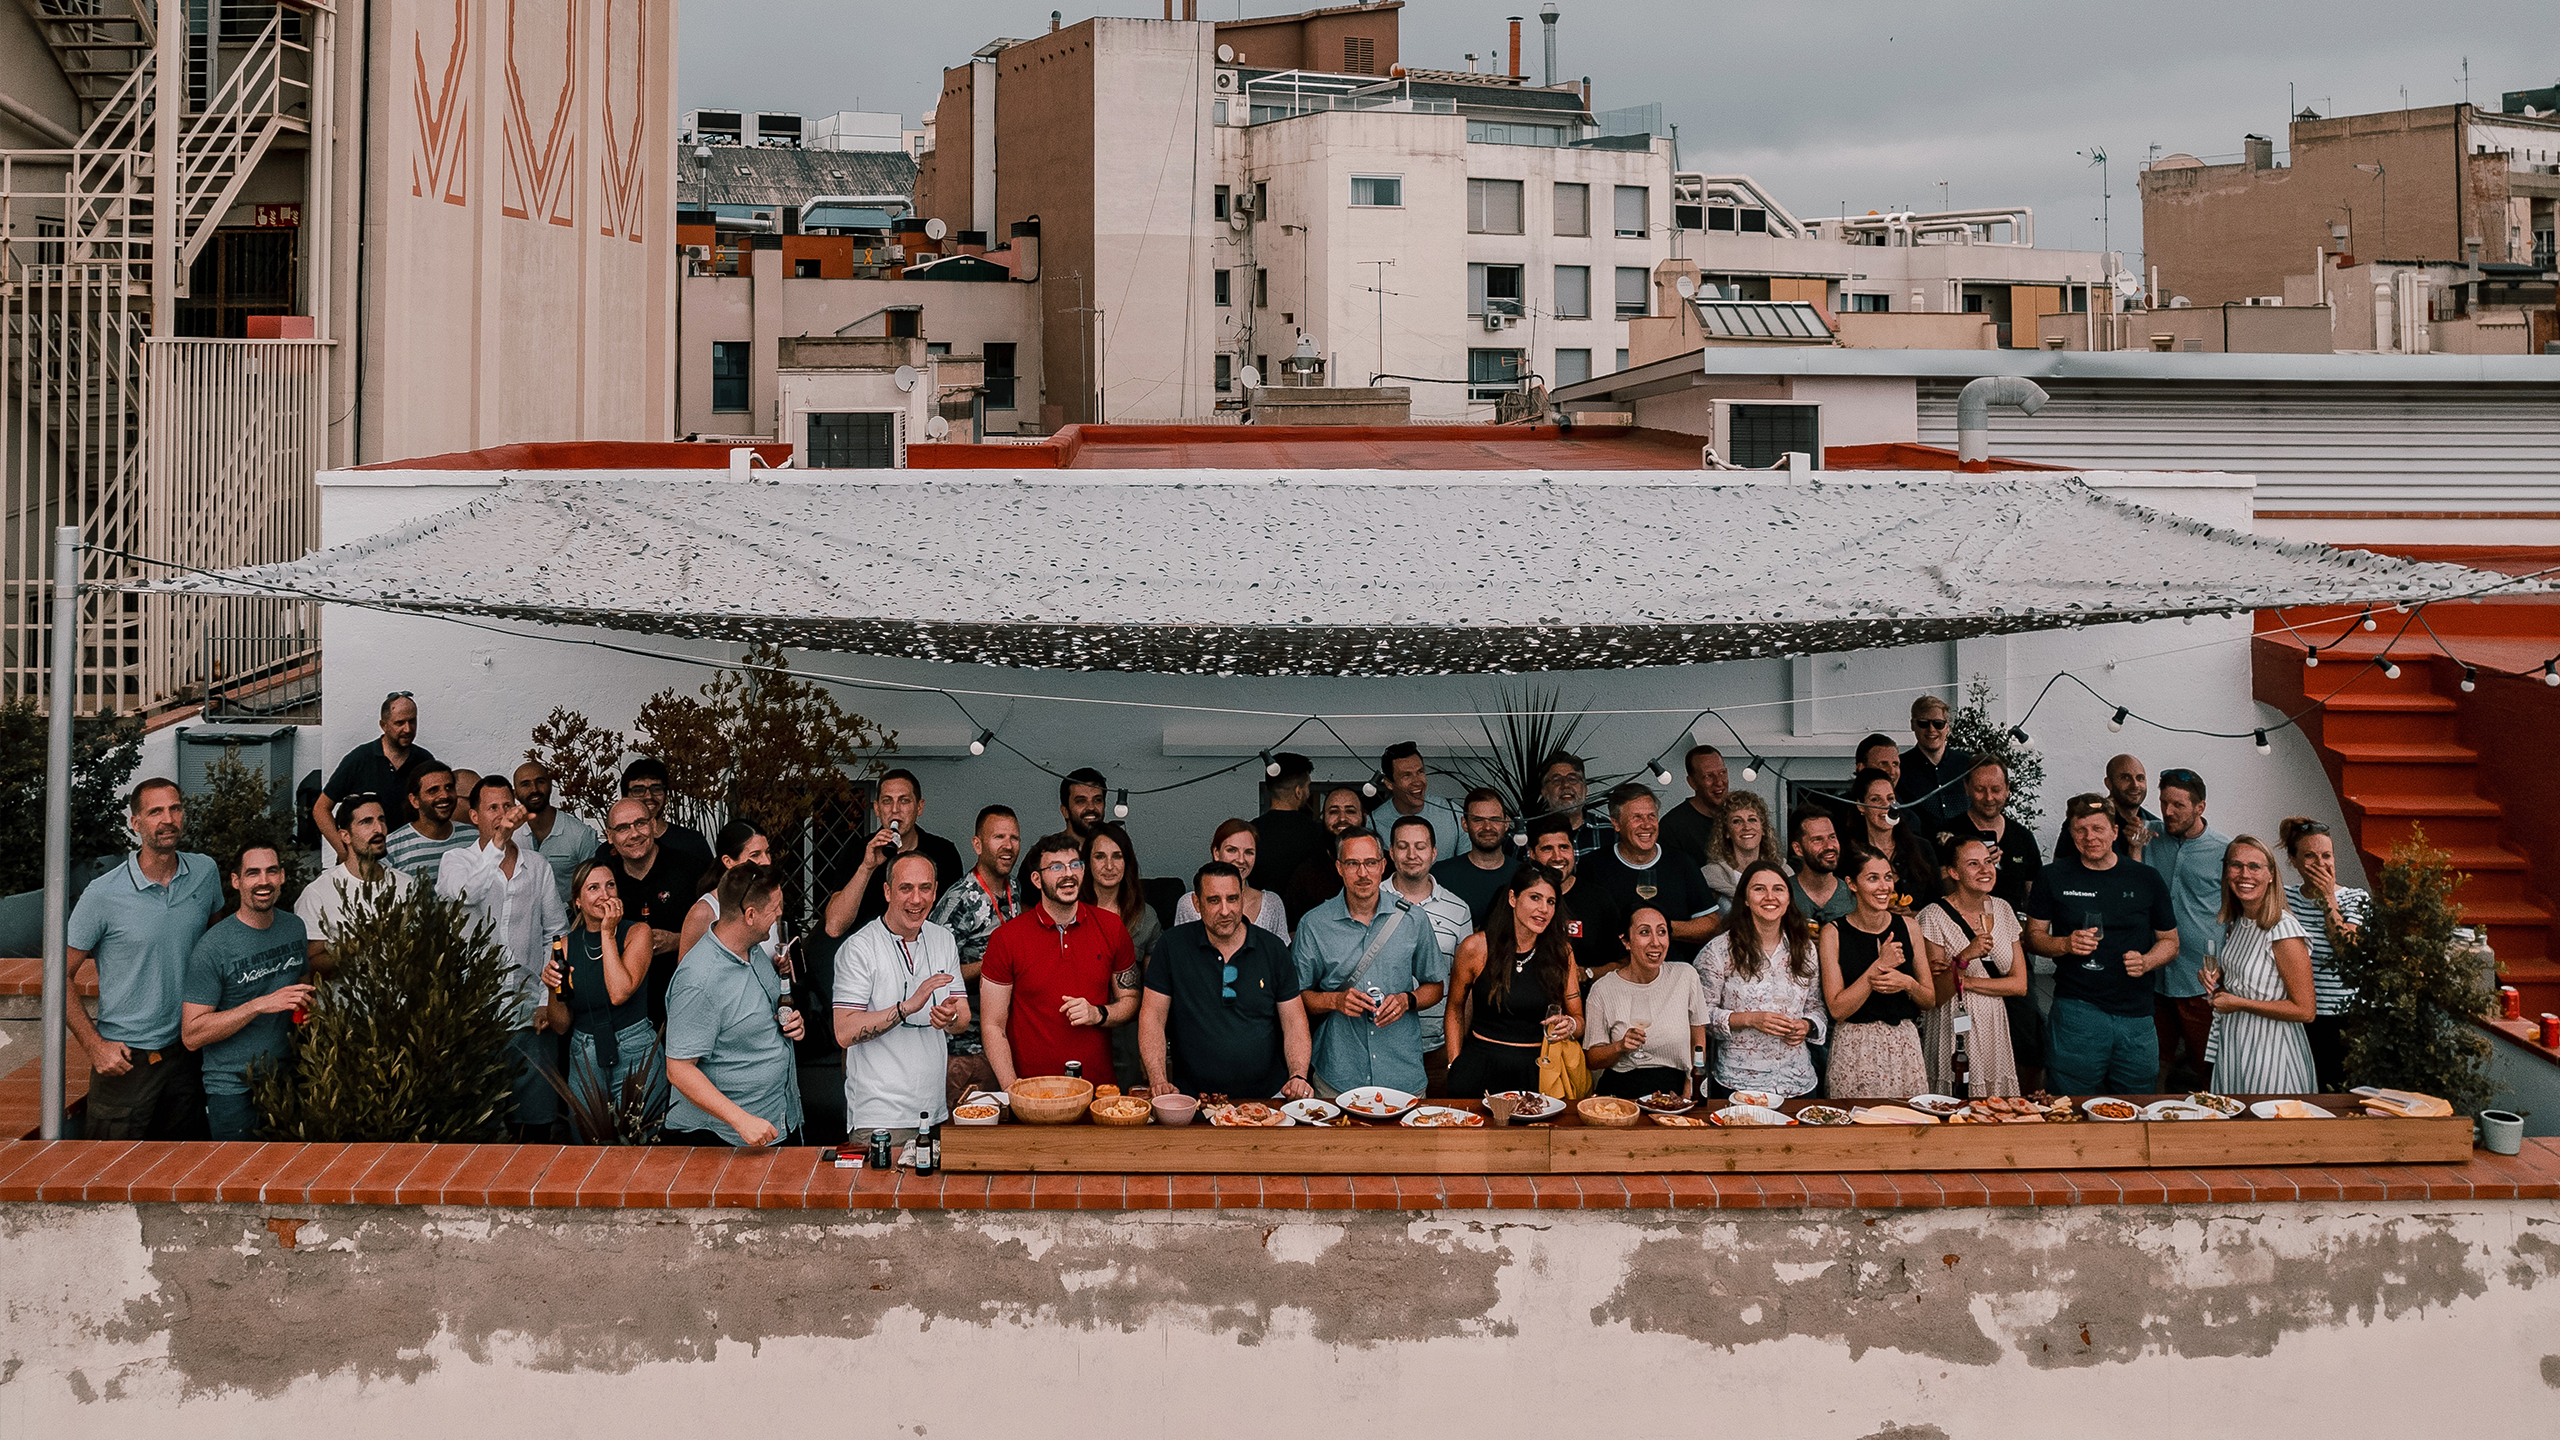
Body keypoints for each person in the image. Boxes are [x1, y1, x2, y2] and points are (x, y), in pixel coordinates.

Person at [66, 779, 222, 1140]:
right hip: (125, 1061)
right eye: (155, 812)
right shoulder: (102, 894)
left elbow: (215, 946)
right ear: (135, 823)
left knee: (181, 1170)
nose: (168, 819)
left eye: (175, 808)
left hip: (186, 1053)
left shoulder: (204, 873)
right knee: (109, 1172)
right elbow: (57, 975)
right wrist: (94, 1046)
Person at [437, 776, 570, 1136]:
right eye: (492, 808)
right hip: (477, 1019)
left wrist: (547, 998)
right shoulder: (455, 860)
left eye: (506, 806)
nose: (501, 815)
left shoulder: (536, 865)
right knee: (481, 1128)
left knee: (537, 1127)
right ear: (475, 815)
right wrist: (496, 845)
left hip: (532, 1019)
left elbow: (556, 933)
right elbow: (466, 894)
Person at [2027, 795, 2182, 1096]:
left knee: (2137, 1104)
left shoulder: (2145, 878)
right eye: (2080, 829)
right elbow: (2033, 937)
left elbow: (2170, 942)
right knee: (2070, 1102)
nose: (2090, 837)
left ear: (2114, 831)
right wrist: (2065, 943)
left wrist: (2148, 961)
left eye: (2097, 829)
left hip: (2137, 1016)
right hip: (2078, 1011)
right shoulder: (2053, 876)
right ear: (2070, 834)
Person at [1292, 829, 1449, 1098]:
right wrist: (1336, 1001)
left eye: (1370, 863)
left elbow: (1435, 987)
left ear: (1383, 866)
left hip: (1402, 1072)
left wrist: (1406, 1000)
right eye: (1353, 864)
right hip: (1339, 1074)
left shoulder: (1413, 919)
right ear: (1339, 868)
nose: (1363, 873)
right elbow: (1295, 998)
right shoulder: (1314, 923)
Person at [1141, 862, 1313, 1100]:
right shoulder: (1172, 946)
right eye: (1213, 900)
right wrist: (1158, 1079)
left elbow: (1294, 1020)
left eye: (1232, 899)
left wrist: (1298, 1076)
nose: (1225, 910)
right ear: (1198, 904)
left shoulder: (1273, 949)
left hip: (1267, 1099)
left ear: (1242, 899)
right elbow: (1152, 1017)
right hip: (1193, 1100)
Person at [981, 831, 1139, 1089]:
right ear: (1037, 879)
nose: (1068, 874)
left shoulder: (1111, 927)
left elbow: (1131, 1000)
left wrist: (1098, 1013)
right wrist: (1012, 1087)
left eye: (1075, 865)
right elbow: (992, 1024)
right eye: (1056, 867)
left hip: (1098, 1091)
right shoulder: (1007, 938)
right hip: (1032, 1091)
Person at [663, 862, 805, 1146]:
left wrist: (793, 1025)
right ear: (750, 915)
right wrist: (741, 1120)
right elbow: (678, 1069)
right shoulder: (699, 980)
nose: (780, 913)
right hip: (726, 1138)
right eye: (774, 907)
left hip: (777, 1119)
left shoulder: (753, 950)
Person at [834, 852, 970, 1142]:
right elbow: (844, 1031)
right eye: (906, 888)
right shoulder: (859, 948)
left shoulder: (943, 939)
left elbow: (963, 1017)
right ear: (887, 892)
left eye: (925, 888)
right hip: (881, 1118)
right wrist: (907, 1007)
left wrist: (951, 1017)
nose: (916, 899)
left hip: (935, 1111)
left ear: (935, 892)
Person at [179, 844, 313, 1140]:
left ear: (282, 877)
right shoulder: (213, 947)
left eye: (271, 871)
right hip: (234, 1091)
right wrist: (258, 1005)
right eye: (253, 873)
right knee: (236, 1182)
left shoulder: (294, 928)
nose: (263, 881)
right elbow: (191, 1034)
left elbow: (303, 995)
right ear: (236, 881)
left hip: (288, 1081)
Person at [1934, 757, 2044, 1086]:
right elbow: (1936, 887)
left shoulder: (2022, 837)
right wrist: (1976, 864)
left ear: (2008, 791)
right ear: (1967, 789)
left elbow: (2033, 893)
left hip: (2009, 939)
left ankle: (2019, 1103)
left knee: (2027, 1035)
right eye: (1980, 789)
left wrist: (2027, 931)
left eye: (1996, 789)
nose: (1988, 796)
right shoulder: (1948, 831)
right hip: (1960, 937)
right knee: (1962, 1047)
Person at [538, 858, 657, 1139]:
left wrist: (606, 931)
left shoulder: (637, 933)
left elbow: (619, 992)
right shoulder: (565, 946)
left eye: (610, 885)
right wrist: (554, 988)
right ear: (577, 901)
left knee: (642, 1144)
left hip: (634, 1046)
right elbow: (561, 1024)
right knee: (587, 1145)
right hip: (585, 1052)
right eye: (593, 888)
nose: (605, 894)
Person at [1443, 863, 1582, 1098]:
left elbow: (1578, 1020)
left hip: (1539, 1071)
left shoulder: (1562, 953)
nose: (1544, 909)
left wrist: (1572, 1025)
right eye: (1535, 897)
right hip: (1479, 1067)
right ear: (1512, 898)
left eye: (1551, 901)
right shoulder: (1476, 948)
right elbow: (1455, 1007)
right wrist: (1455, 1064)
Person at [1696, 860, 1827, 1100]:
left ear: (1788, 898)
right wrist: (1750, 1019)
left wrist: (1807, 1025)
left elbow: (1816, 1006)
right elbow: (1700, 1016)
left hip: (1797, 1081)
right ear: (1745, 899)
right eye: (1759, 889)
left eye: (1778, 889)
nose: (1770, 896)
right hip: (1740, 1082)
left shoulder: (1805, 948)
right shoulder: (1718, 951)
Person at [2201, 835, 2318, 1095]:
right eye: (2236, 865)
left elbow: (2305, 1010)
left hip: (2272, 1053)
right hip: (2235, 1046)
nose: (2245, 874)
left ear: (2271, 875)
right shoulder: (2239, 921)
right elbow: (2252, 979)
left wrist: (2237, 1003)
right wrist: (2219, 979)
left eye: (2255, 866)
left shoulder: (2283, 930)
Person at [1915, 837, 2028, 1098]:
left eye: (1988, 862)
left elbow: (2019, 984)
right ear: (1954, 872)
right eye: (1973, 864)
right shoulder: (1933, 916)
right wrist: (1965, 957)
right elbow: (1937, 995)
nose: (1985, 870)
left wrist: (1967, 982)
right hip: (1951, 1026)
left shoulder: (2003, 909)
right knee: (1952, 1103)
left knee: (1993, 1109)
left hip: (1993, 1025)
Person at [1820, 847, 1937, 1096]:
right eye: (1873, 878)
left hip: (1904, 1043)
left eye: (1888, 876)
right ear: (1852, 884)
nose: (1885, 886)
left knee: (1908, 1126)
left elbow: (1929, 999)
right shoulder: (1833, 932)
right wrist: (1879, 967)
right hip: (1854, 1045)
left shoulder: (1909, 926)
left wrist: (1907, 983)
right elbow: (1838, 1009)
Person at [926, 804, 1022, 1101]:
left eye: (1014, 838)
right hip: (964, 1052)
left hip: (1006, 1043)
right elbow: (933, 974)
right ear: (977, 844)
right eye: (998, 837)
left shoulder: (1014, 889)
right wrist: (993, 965)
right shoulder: (959, 900)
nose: (1008, 846)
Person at [2146, 768, 2230, 1093]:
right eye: (2164, 802)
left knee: (2207, 1066)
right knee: (2154, 1064)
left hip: (2201, 981)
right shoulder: (2147, 835)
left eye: (2178, 805)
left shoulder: (2226, 851)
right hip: (2153, 976)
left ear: (2200, 807)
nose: (2168, 812)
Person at [1577, 783, 1721, 968]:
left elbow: (1711, 923)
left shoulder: (1681, 863)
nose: (1646, 825)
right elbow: (1583, 927)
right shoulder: (1593, 866)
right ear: (1616, 823)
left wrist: (1662, 929)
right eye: (1636, 817)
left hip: (1673, 977)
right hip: (1613, 979)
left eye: (1651, 816)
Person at [1583, 907, 1712, 1099]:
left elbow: (1698, 1041)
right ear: (1626, 941)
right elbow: (1592, 1060)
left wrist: (1692, 1082)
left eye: (1662, 932)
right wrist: (1620, 1046)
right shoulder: (1603, 989)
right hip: (1622, 1092)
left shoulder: (1685, 975)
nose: (1655, 942)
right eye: (1644, 932)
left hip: (1675, 1090)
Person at [1386, 814, 1475, 1087]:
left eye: (1420, 846)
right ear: (1391, 853)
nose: (1412, 854)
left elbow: (1466, 985)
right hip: (1382, 1046)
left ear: (1434, 853)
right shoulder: (1370, 901)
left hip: (1438, 1049)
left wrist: (1456, 1047)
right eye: (1403, 846)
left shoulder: (1458, 910)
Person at [2280, 816, 2369, 1088]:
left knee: (2340, 1092)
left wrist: (2328, 898)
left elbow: (2346, 950)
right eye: (2310, 856)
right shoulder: (2284, 897)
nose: (2321, 864)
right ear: (2293, 861)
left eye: (2327, 855)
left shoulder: (2355, 898)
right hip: (2298, 1013)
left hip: (2344, 1018)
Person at [824, 769, 965, 938]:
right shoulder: (858, 850)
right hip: (870, 957)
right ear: (877, 808)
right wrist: (867, 867)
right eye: (887, 801)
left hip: (924, 955)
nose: (895, 810)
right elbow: (834, 927)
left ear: (919, 807)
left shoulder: (943, 853)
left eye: (904, 801)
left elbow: (954, 919)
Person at [598, 796, 698, 1026]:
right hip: (624, 1012)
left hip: (685, 1001)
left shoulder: (690, 870)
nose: (634, 834)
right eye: (623, 828)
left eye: (640, 823)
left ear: (654, 825)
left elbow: (723, 931)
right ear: (610, 836)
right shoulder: (605, 880)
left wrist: (679, 940)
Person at [293, 793, 414, 970]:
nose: (379, 829)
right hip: (345, 997)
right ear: (345, 836)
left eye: (381, 820)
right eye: (366, 822)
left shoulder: (406, 885)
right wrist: (365, 939)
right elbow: (310, 966)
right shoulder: (318, 893)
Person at [1083, 822, 1161, 1090]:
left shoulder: (1144, 916)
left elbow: (1154, 990)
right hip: (1078, 1023)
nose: (1109, 865)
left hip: (1127, 1031)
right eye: (1100, 856)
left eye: (1117, 856)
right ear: (1087, 862)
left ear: (1128, 862)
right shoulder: (1070, 909)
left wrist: (1149, 1052)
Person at [316, 691, 439, 860]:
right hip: (365, 861)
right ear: (384, 725)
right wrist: (344, 852)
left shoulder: (424, 761)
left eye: (412, 721)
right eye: (399, 723)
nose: (407, 729)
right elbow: (321, 809)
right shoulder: (359, 759)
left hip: (410, 859)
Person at [1524, 814, 1623, 981]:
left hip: (1587, 1001)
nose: (1557, 857)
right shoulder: (1515, 897)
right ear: (1532, 854)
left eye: (1564, 847)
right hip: (1523, 1002)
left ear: (1573, 850)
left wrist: (1586, 973)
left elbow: (1623, 962)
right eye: (1547, 849)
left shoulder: (1598, 899)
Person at [678, 819, 782, 959]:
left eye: (767, 852)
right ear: (728, 861)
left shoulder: (774, 895)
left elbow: (777, 944)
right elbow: (688, 973)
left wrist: (781, 962)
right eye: (755, 855)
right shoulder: (704, 911)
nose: (766, 861)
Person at [1172, 818, 1291, 938]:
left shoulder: (1272, 903)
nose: (1240, 859)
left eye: (1249, 852)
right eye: (1232, 850)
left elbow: (1279, 954)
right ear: (1216, 853)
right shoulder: (1190, 904)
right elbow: (1182, 952)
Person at [1846, 767, 1941, 910]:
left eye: (1890, 799)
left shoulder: (1922, 848)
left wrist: (1914, 916)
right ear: (1861, 806)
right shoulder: (1850, 852)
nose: (1886, 806)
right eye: (1875, 800)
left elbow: (1938, 903)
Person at [1281, 783, 1373, 923]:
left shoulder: (1385, 867)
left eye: (1350, 811)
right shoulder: (1306, 874)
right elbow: (1292, 931)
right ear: (1323, 819)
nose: (1342, 818)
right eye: (1334, 811)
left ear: (1364, 819)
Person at [513, 762, 599, 906]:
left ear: (550, 785)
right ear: (515, 793)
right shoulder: (511, 835)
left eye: (540, 782)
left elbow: (595, 887)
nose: (534, 789)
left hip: (569, 924)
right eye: (525, 784)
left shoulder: (580, 835)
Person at [1251, 752, 1326, 909]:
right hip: (1304, 918)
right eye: (1307, 786)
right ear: (1298, 791)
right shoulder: (1317, 833)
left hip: (1261, 914)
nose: (1308, 792)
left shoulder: (1251, 832)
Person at [619, 758, 714, 881]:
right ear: (624, 798)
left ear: (666, 796)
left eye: (656, 789)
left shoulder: (692, 844)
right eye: (638, 790)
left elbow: (713, 895)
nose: (648, 796)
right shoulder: (611, 851)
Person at [2053, 754, 2158, 864]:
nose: (2135, 785)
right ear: (2109, 784)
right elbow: (2059, 869)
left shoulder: (2153, 825)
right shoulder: (2085, 820)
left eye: (2140, 778)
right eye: (2125, 778)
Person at [1431, 787, 1516, 922]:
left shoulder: (1524, 875)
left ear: (1506, 823)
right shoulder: (1441, 876)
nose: (1487, 827)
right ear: (1465, 824)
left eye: (1495, 819)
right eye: (1478, 820)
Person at [384, 765, 477, 878]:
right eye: (433, 790)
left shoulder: (474, 838)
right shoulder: (392, 848)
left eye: (449, 787)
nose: (444, 795)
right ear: (414, 801)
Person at [1897, 694, 1974, 831]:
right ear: (1913, 725)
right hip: (1920, 848)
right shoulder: (1899, 767)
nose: (1931, 730)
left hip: (1966, 846)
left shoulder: (1967, 764)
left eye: (1938, 724)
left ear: (1947, 727)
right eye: (1923, 723)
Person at [1376, 740, 1463, 859]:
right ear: (1389, 783)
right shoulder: (1375, 823)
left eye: (1420, 772)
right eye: (1406, 775)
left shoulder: (1453, 814)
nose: (1417, 782)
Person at [1701, 791, 1786, 902]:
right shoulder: (1711, 875)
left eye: (1752, 819)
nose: (1746, 827)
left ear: (1763, 829)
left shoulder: (1783, 871)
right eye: (1737, 821)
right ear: (1726, 832)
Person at [1658, 745, 1730, 870]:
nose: (1719, 782)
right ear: (1692, 782)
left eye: (1722, 773)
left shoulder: (1739, 816)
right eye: (1708, 776)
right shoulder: (1673, 826)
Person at [1535, 751, 1614, 856]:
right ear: (1544, 793)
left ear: (1585, 790)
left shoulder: (1609, 832)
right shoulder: (1525, 836)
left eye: (1573, 779)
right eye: (1557, 780)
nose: (1566, 785)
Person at [1787, 810, 1855, 926]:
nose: (1829, 846)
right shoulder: (1783, 893)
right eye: (1817, 840)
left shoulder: (1854, 896)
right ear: (1798, 849)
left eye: (1832, 837)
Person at [1059, 766, 1111, 842]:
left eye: (1097, 800)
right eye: (1081, 801)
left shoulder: (1113, 849)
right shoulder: (1049, 851)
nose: (1091, 807)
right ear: (1065, 811)